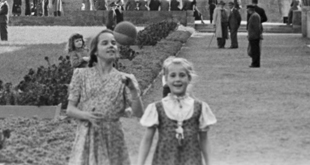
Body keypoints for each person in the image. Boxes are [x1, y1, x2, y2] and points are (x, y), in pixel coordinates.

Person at [66, 29, 143, 164]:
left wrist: (134, 91)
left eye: (113, 43)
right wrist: (86, 115)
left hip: (114, 139)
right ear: (95, 51)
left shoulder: (125, 79)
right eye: (105, 43)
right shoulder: (81, 75)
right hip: (88, 137)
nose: (111, 46)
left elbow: (138, 113)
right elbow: (70, 109)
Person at [137, 57, 216, 165]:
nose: (177, 79)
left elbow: (204, 140)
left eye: (182, 75)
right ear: (166, 79)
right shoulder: (157, 108)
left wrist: (209, 162)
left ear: (189, 78)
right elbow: (147, 139)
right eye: (173, 75)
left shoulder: (200, 107)